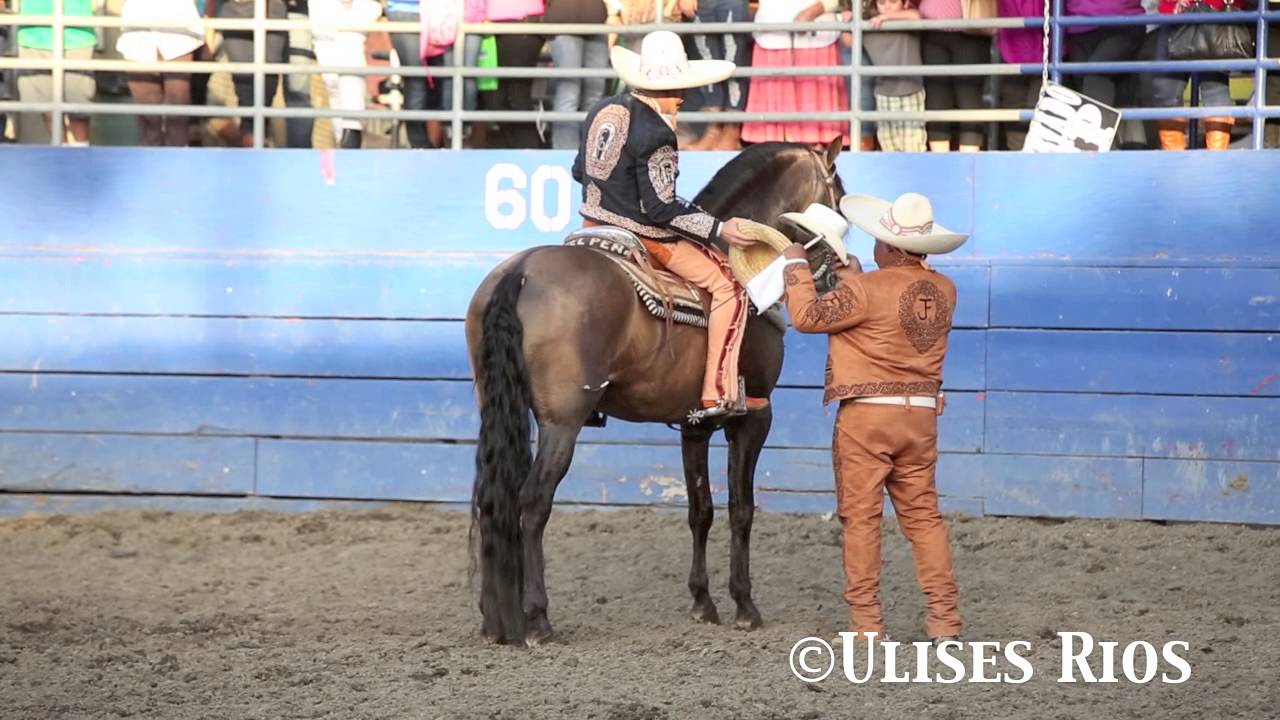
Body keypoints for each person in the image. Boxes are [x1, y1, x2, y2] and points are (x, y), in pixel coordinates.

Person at [780, 191, 967, 643]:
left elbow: (806, 316)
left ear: (891, 247)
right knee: (923, 517)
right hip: (920, 416)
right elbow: (888, 307)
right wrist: (856, 281)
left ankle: (867, 625)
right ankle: (945, 621)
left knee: (861, 519)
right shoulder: (944, 290)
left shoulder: (864, 290)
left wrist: (794, 264)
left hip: (867, 417)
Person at [573, 30, 767, 422]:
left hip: (590, 225)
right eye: (678, 88)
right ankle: (719, 394)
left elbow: (580, 171)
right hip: (643, 235)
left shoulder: (603, 108)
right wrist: (718, 228)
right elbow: (660, 209)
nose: (683, 96)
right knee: (729, 287)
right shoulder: (657, 131)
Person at [863, 0, 927, 152]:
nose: (887, 6)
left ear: (905, 3)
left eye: (893, 1)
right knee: (888, 147)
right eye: (881, 2)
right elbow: (848, 40)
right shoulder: (869, 25)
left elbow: (917, 16)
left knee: (913, 147)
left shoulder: (908, 21)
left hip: (910, 92)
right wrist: (848, 18)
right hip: (884, 93)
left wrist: (888, 17)